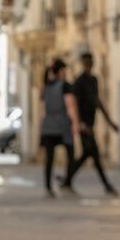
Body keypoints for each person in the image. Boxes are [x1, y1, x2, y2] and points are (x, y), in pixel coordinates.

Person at [63, 52, 119, 196]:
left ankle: (67, 179)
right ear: (83, 63)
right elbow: (74, 105)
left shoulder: (94, 80)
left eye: (90, 62)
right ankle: (105, 185)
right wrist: (80, 123)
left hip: (90, 123)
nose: (88, 65)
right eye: (86, 62)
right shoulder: (79, 82)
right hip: (83, 125)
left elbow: (97, 101)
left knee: (89, 154)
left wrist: (110, 122)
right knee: (92, 154)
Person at [36, 58, 77, 198]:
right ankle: (68, 182)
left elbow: (42, 109)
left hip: (48, 126)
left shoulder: (45, 87)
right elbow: (70, 106)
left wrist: (41, 128)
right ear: (60, 71)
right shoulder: (65, 86)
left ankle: (48, 187)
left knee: (49, 158)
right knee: (71, 155)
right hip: (62, 125)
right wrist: (75, 124)